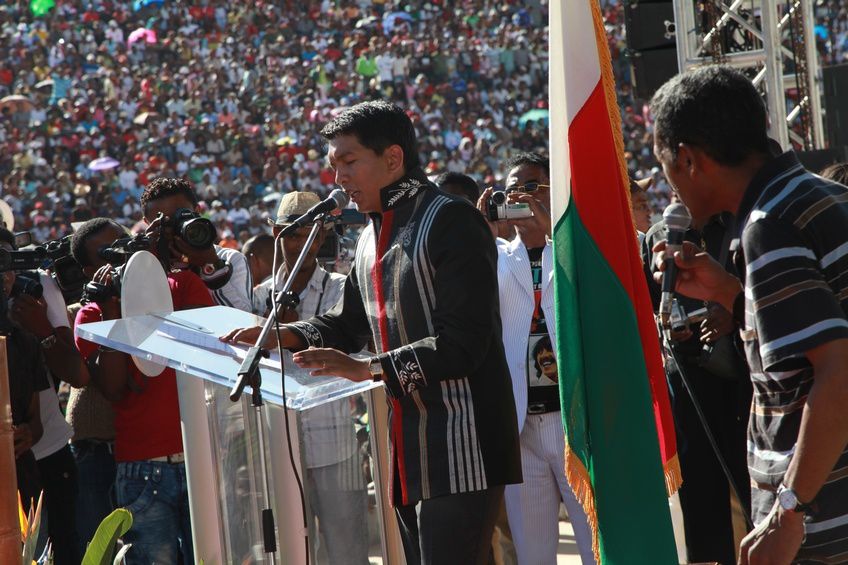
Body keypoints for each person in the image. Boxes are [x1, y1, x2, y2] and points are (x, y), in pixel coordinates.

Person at [223, 100, 522, 565]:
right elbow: (349, 324)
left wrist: (366, 369)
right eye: (333, 166)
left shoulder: (452, 220)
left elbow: (465, 343)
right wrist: (284, 333)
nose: (338, 179)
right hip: (407, 444)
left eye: (348, 162)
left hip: (465, 442)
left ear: (394, 159)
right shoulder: (366, 236)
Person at [650, 65, 848, 563]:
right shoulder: (822, 198)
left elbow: (839, 375)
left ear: (689, 159)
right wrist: (731, 294)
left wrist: (787, 514)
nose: (670, 188)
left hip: (822, 527)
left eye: (667, 168)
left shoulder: (769, 226)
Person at [72, 216, 215, 564]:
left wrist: (154, 274)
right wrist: (113, 310)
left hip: (200, 457)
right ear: (92, 269)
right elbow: (115, 389)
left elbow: (209, 350)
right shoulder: (91, 316)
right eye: (109, 253)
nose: (122, 253)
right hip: (142, 471)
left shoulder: (182, 286)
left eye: (125, 241)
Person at [476, 152, 595, 565]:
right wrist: (480, 237)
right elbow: (471, 310)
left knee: (595, 547)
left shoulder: (575, 246)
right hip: (520, 426)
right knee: (533, 554)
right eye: (513, 190)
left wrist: (555, 234)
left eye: (531, 187)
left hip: (575, 423)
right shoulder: (492, 255)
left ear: (552, 191)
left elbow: (594, 296)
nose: (521, 196)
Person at [261, 190, 370, 564]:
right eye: (291, 233)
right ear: (276, 233)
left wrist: (295, 336)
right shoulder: (260, 296)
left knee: (347, 549)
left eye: (309, 232)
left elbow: (353, 357)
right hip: (276, 444)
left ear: (322, 235)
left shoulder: (341, 289)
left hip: (334, 443)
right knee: (293, 552)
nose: (299, 242)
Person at [642, 212, 751, 565]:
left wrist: (736, 310)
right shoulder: (658, 237)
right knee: (701, 502)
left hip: (747, 389)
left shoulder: (745, 223)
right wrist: (669, 328)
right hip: (688, 389)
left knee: (755, 498)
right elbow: (649, 312)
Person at [140, 177, 253, 312]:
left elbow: (243, 319)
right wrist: (151, 259)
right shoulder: (142, 265)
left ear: (197, 211)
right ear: (148, 223)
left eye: (181, 216)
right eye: (165, 222)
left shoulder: (230, 259)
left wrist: (212, 267)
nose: (175, 227)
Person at [1, 228, 46, 514]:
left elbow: (36, 422)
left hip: (19, 483)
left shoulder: (25, 341)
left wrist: (27, 434)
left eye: (6, 264)